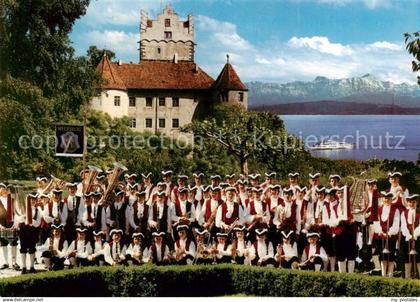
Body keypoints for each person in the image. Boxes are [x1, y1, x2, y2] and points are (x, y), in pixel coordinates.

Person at [373, 191, 400, 277]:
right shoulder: (379, 209)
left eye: (388, 198)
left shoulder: (395, 210)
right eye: (385, 198)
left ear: (391, 199)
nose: (386, 200)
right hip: (380, 236)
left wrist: (389, 233)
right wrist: (381, 232)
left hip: (391, 236)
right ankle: (383, 275)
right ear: (382, 199)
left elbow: (396, 223)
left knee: (391, 256)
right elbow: (376, 222)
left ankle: (390, 274)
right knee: (382, 256)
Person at [17, 192, 41, 274]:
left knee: (32, 249)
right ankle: (23, 267)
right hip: (23, 231)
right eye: (31, 200)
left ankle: (32, 267)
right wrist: (23, 217)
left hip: (33, 231)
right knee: (23, 249)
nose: (33, 201)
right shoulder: (23, 208)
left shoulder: (38, 210)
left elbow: (38, 223)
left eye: (34, 200)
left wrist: (31, 220)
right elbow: (18, 219)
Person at [0, 183, 20, 270]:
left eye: (5, 189)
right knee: (3, 243)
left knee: (14, 243)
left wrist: (15, 224)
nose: (4, 190)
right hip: (2, 225)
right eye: (2, 189)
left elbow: (17, 213)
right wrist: (0, 226)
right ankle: (5, 262)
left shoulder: (13, 200)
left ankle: (14, 262)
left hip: (12, 225)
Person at [399, 194, 420, 278]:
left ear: (416, 202)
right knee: (407, 258)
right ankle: (407, 277)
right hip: (407, 238)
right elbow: (403, 225)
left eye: (413, 202)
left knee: (419, 257)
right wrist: (408, 235)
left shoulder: (419, 212)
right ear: (407, 203)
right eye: (410, 202)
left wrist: (415, 235)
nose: (411, 204)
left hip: (418, 237)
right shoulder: (404, 213)